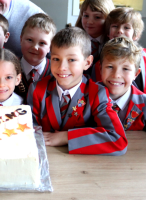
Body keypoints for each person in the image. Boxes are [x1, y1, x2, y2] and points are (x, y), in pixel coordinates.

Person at [27, 27, 127, 155]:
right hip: (46, 159)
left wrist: (66, 137)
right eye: (56, 59)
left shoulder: (97, 94)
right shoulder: (37, 90)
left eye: (71, 60)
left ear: (87, 62)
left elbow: (118, 140)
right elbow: (29, 133)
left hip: (84, 164)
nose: (62, 67)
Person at [91, 8, 145, 90]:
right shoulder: (99, 65)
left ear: (136, 34)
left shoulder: (144, 57)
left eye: (126, 27)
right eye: (115, 26)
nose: (120, 31)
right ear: (108, 33)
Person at [100, 37, 146, 131]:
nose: (116, 75)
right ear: (100, 69)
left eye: (125, 69)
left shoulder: (144, 104)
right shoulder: (86, 96)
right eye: (110, 66)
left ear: (136, 74)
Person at [20, 13, 56, 93]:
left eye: (42, 43)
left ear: (50, 47)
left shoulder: (56, 71)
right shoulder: (10, 68)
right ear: (21, 40)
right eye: (30, 40)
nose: (35, 47)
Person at [75, 0, 115, 64]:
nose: (90, 22)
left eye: (97, 17)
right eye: (86, 16)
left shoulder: (114, 42)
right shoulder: (74, 40)